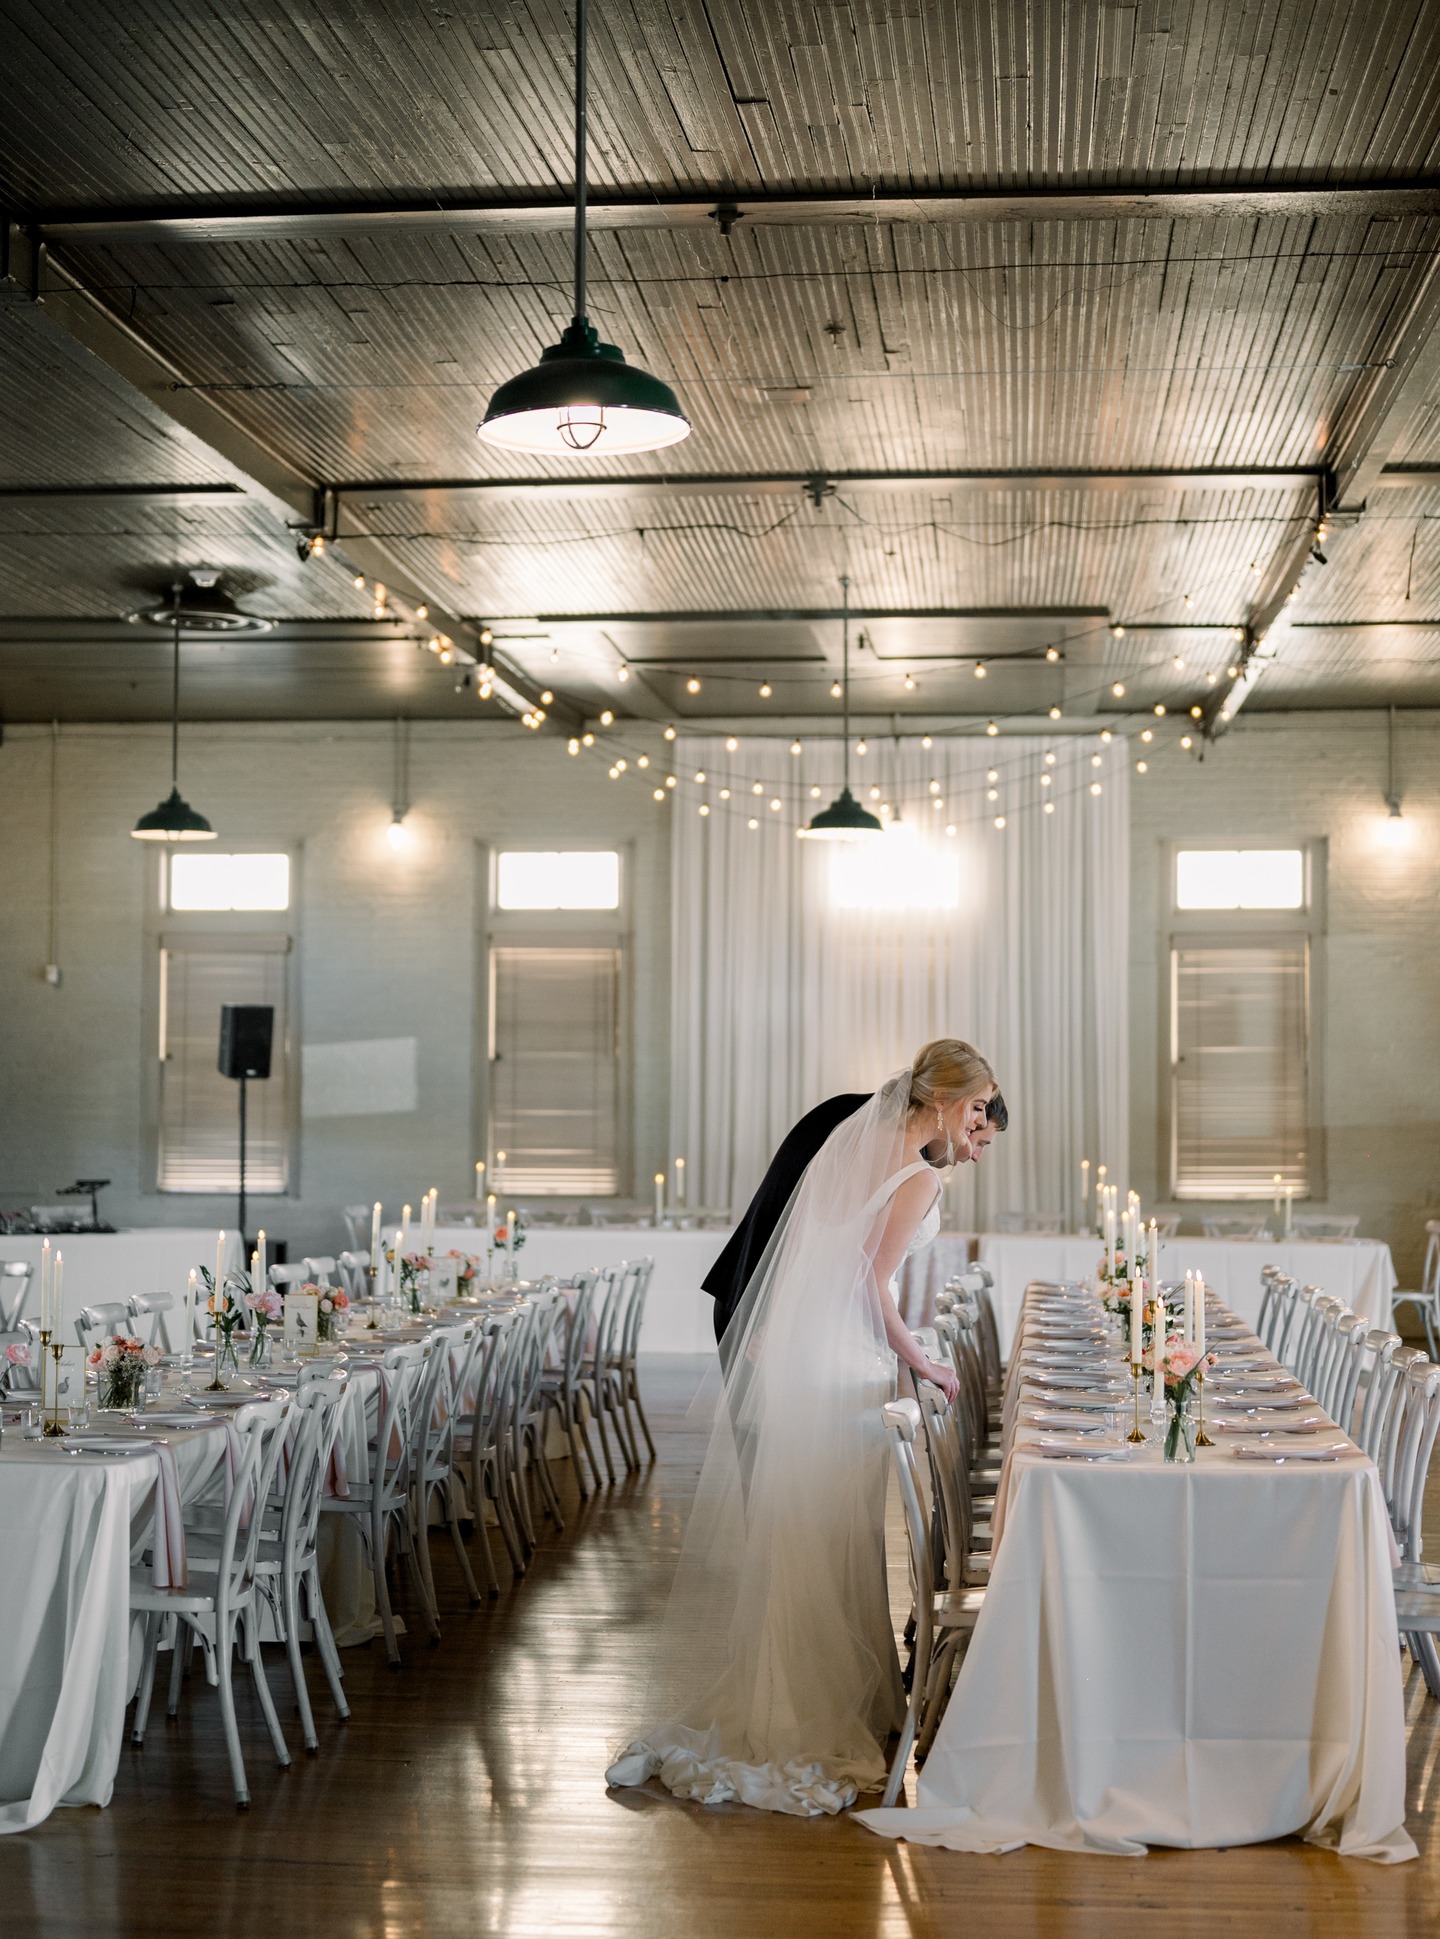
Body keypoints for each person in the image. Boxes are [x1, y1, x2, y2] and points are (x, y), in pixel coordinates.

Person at [607, 1040, 998, 1817]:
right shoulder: (919, 1174)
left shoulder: (858, 1141)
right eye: (978, 1107)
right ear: (947, 1101)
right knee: (831, 1534)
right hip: (840, 1361)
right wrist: (921, 1359)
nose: (979, 1123)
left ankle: (804, 1698)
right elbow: (868, 1280)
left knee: (811, 1538)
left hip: (814, 1355)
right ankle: (813, 1711)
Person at [704, 1089, 1009, 1341]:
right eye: (977, 1138)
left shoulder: (888, 1141)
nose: (975, 1155)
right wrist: (774, 1320)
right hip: (762, 1302)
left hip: (800, 1313)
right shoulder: (865, 1129)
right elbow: (819, 1234)